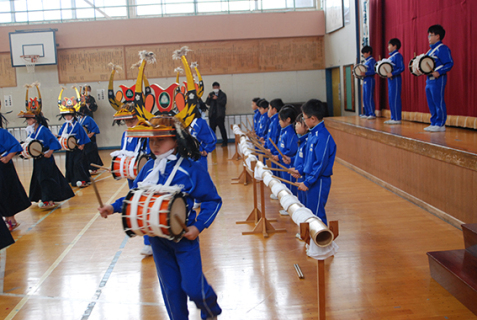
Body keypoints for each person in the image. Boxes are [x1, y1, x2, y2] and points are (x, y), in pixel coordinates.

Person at [18, 85, 75, 209]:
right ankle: (41, 196)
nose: (27, 121)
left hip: (46, 159)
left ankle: (48, 199)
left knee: (47, 179)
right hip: (38, 159)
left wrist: (50, 151)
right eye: (27, 119)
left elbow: (55, 142)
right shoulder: (32, 131)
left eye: (29, 119)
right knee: (39, 178)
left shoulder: (43, 130)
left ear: (35, 119)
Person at [290, 99, 336, 226]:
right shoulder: (312, 134)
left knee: (315, 213)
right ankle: (310, 238)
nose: (303, 121)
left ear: (313, 118)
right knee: (307, 210)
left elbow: (320, 164)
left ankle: (322, 242)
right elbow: (308, 159)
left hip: (318, 180)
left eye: (305, 118)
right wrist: (300, 171)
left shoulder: (322, 136)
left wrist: (308, 181)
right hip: (308, 178)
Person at [0, 108, 30, 231]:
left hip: (3, 168)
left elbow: (15, 146)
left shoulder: (2, 133)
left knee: (5, 192)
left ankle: (10, 218)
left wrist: (7, 158)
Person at [424, 25, 454, 132]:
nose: (429, 38)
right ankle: (434, 122)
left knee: (438, 101)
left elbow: (449, 63)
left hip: (438, 80)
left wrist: (439, 72)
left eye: (430, 35)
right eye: (428, 35)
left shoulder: (442, 48)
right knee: (431, 101)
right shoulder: (429, 52)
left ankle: (440, 123)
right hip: (429, 80)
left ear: (437, 36)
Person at [57, 94, 91, 188]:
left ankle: (82, 179)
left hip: (78, 148)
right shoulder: (64, 126)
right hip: (69, 149)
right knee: (70, 164)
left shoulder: (77, 125)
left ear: (73, 115)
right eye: (66, 115)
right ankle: (72, 180)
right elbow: (61, 135)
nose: (68, 117)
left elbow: (83, 136)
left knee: (77, 164)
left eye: (69, 115)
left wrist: (82, 145)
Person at [272, 105, 298, 215]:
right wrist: (278, 155)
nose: (279, 122)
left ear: (288, 120)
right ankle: (287, 206)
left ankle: (292, 208)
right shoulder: (284, 131)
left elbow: (291, 149)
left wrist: (282, 156)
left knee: (290, 187)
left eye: (280, 119)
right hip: (283, 162)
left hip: (288, 164)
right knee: (284, 185)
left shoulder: (291, 133)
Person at [384, 38, 404, 124]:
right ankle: (393, 117)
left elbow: (401, 68)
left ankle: (397, 118)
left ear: (395, 46)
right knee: (391, 98)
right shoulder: (391, 57)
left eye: (389, 45)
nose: (388, 47)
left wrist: (392, 73)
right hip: (391, 81)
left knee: (395, 98)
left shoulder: (398, 56)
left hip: (395, 79)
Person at [78, 106, 103, 174]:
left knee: (91, 153)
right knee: (84, 154)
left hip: (90, 138)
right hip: (83, 139)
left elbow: (95, 127)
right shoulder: (78, 119)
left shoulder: (89, 119)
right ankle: (86, 167)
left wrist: (91, 134)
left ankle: (94, 168)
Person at [205, 82, 228, 147]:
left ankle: (225, 142)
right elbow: (207, 103)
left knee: (222, 129)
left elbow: (223, 103)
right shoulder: (211, 94)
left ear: (219, 87)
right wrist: (209, 98)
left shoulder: (222, 94)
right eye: (214, 87)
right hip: (212, 115)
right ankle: (212, 142)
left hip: (219, 115)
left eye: (216, 87)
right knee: (212, 130)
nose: (215, 88)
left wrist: (217, 98)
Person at [361, 46, 377, 119]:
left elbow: (374, 71)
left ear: (368, 53)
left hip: (370, 79)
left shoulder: (372, 61)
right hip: (365, 80)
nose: (364, 55)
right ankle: (366, 113)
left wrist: (366, 74)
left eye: (364, 53)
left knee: (369, 97)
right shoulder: (366, 62)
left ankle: (372, 113)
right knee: (365, 97)